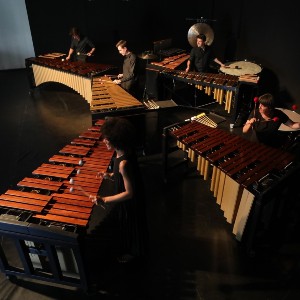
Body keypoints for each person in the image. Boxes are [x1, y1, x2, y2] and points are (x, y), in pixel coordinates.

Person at [91, 117, 148, 263]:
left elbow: (129, 193)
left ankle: (133, 253)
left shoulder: (123, 163)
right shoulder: (122, 153)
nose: (104, 141)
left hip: (131, 202)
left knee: (131, 225)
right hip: (127, 196)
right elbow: (121, 175)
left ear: (117, 141)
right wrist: (109, 175)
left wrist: (105, 199)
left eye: (107, 139)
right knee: (124, 223)